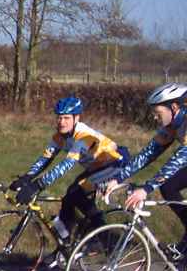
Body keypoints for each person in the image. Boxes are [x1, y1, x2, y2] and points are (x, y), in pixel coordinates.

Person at [9, 96, 128, 245]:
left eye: (66, 118)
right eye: (59, 118)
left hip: (115, 164)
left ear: (76, 118)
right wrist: (27, 177)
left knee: (75, 193)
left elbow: (66, 165)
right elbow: (46, 158)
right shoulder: (60, 136)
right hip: (96, 167)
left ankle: (105, 239)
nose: (62, 122)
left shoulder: (84, 136)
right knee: (68, 199)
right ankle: (65, 246)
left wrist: (37, 185)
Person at [104, 82, 187, 260]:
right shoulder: (172, 126)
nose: (155, 118)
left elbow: (177, 161)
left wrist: (146, 189)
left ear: (174, 107)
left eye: (158, 113)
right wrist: (118, 178)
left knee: (166, 184)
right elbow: (148, 155)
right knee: (168, 187)